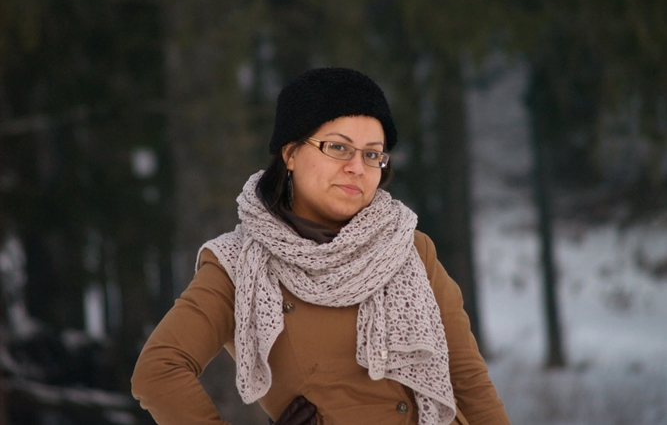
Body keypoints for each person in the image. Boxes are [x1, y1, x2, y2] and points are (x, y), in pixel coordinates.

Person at [131, 68, 511, 425]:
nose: (357, 167)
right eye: (338, 147)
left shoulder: (408, 246)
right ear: (291, 153)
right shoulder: (240, 263)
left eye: (372, 154)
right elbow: (159, 371)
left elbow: (468, 381)